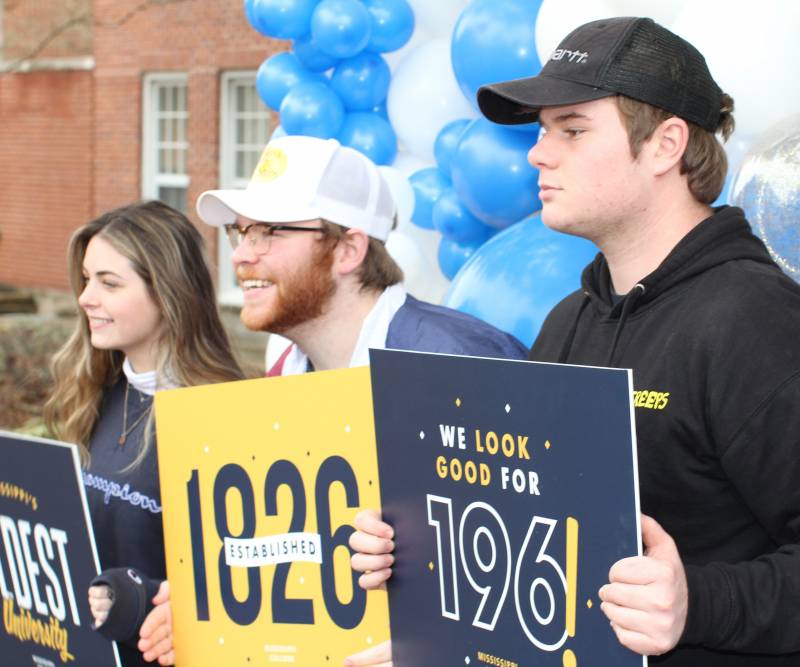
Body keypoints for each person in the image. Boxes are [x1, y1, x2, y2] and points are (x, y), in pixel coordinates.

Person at [349, 16, 800, 667]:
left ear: (666, 144)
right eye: (541, 129)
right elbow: (534, 538)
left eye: (573, 129)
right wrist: (419, 555)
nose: (539, 152)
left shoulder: (754, 322)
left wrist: (696, 602)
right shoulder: (569, 320)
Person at [134, 135, 528, 665]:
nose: (243, 255)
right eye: (240, 231)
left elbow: (532, 581)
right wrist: (206, 604)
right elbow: (287, 552)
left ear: (348, 249)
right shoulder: (285, 374)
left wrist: (438, 649)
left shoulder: (458, 364)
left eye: (271, 231)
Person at [44, 201, 245, 667]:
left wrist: (142, 597)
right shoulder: (94, 393)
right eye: (87, 278)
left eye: (109, 283)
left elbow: (247, 584)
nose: (85, 298)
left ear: (168, 292)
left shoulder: (227, 413)